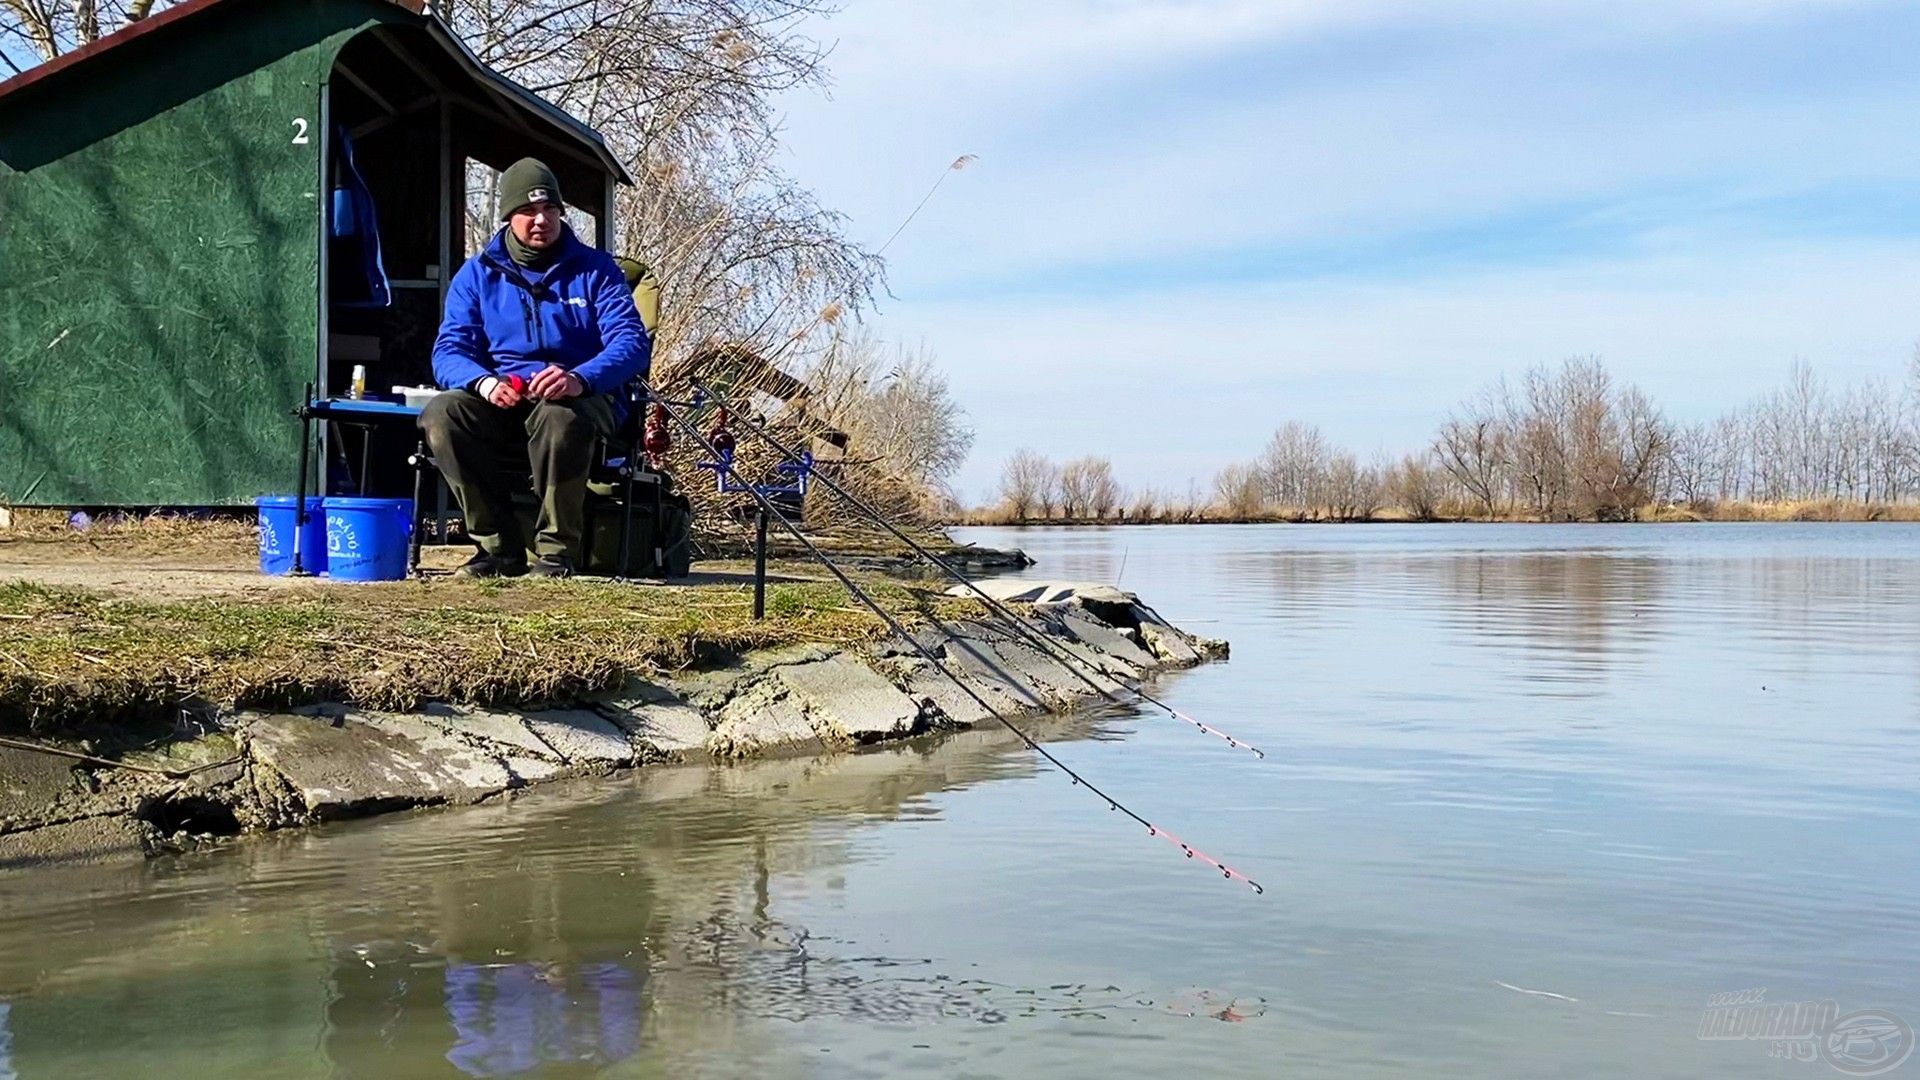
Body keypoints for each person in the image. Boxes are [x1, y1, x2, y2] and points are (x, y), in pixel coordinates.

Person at [423, 158, 649, 579]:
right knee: (442, 415)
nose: (541, 220)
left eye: (550, 210)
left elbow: (631, 343)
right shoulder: (476, 275)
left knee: (558, 419)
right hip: (504, 398)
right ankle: (497, 549)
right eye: (528, 212)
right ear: (509, 217)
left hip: (581, 399)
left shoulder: (597, 271)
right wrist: (485, 383)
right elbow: (448, 352)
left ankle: (555, 554)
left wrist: (579, 379)